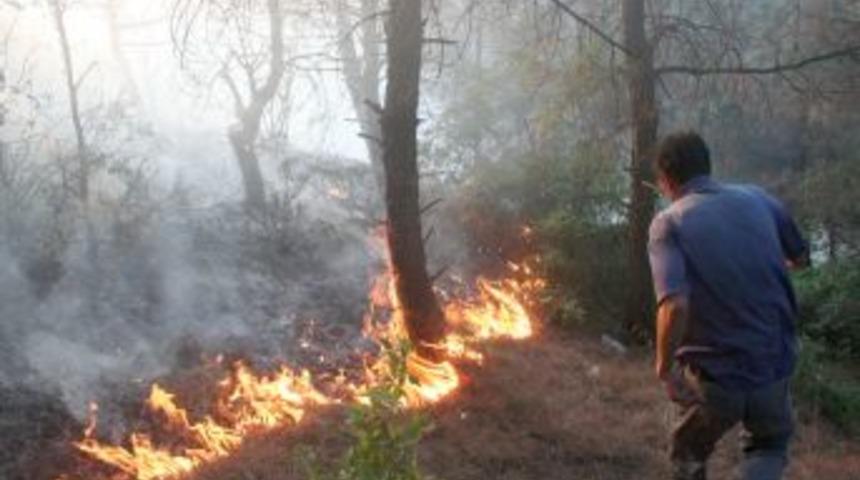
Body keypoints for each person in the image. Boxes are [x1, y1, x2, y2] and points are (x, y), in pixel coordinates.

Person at [648, 131, 809, 480]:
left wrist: (665, 368)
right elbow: (800, 257)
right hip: (774, 363)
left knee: (688, 452)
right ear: (707, 165)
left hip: (715, 377)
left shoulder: (669, 222)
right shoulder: (758, 198)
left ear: (666, 179)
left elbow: (674, 305)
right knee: (768, 446)